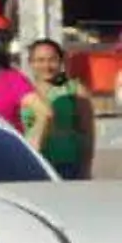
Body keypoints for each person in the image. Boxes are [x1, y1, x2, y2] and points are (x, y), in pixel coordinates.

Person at [25, 39, 95, 179]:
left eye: (52, 60)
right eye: (40, 60)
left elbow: (87, 133)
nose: (46, 66)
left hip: (67, 165)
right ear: (30, 62)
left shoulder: (74, 90)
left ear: (61, 61)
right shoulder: (22, 91)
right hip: (30, 163)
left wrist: (86, 168)